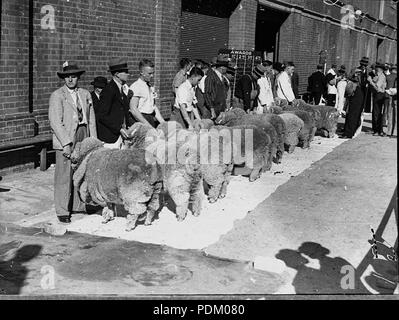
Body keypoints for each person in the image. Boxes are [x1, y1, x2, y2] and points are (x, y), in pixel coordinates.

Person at [48, 61, 97, 223]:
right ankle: (62, 210)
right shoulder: (58, 95)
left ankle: (78, 204)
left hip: (83, 134)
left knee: (80, 171)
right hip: (68, 136)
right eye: (67, 77)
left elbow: (91, 119)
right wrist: (66, 143)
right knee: (64, 174)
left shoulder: (85, 94)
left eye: (73, 77)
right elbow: (55, 121)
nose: (70, 80)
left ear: (78, 78)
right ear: (63, 78)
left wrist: (93, 141)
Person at [96, 59, 133, 144]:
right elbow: (102, 115)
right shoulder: (108, 90)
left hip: (121, 136)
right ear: (117, 74)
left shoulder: (121, 90)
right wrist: (119, 128)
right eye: (125, 72)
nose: (128, 74)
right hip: (110, 138)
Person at [129, 59, 165, 128]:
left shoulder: (150, 86)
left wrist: (163, 123)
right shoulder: (136, 86)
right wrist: (148, 125)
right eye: (149, 73)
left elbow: (153, 107)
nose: (152, 76)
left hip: (150, 118)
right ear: (142, 72)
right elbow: (133, 109)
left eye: (153, 73)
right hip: (140, 121)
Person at [341, 71, 364, 139]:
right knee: (355, 115)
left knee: (352, 115)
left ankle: (348, 133)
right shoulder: (358, 86)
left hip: (355, 98)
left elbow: (349, 92)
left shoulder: (352, 84)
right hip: (358, 96)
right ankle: (351, 131)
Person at [368, 62, 387, 136]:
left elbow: (377, 88)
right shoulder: (377, 75)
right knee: (376, 112)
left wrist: (370, 81)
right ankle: (376, 129)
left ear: (380, 69)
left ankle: (378, 130)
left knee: (377, 113)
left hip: (379, 95)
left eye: (377, 68)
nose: (375, 69)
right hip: (377, 95)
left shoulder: (381, 76)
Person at [385, 64, 397, 137]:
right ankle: (394, 132)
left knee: (390, 114)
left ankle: (389, 131)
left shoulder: (388, 77)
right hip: (394, 96)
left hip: (390, 96)